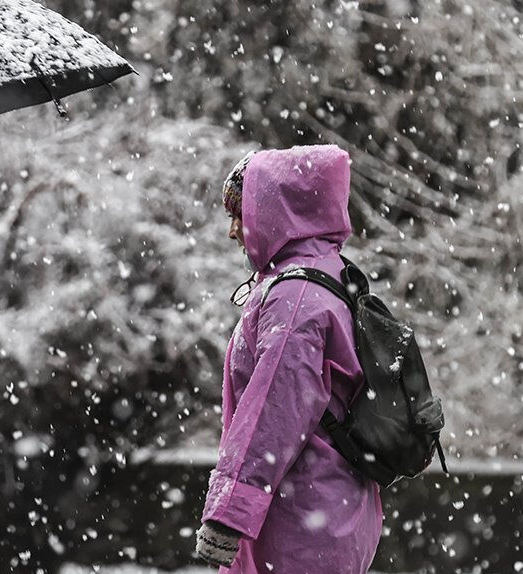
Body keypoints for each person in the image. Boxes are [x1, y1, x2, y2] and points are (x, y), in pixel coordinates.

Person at [195, 146, 382, 573]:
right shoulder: (329, 275)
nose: (233, 232)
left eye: (239, 215)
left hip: (301, 525)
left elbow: (273, 412)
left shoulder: (295, 299)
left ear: (273, 213)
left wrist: (229, 513)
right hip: (330, 512)